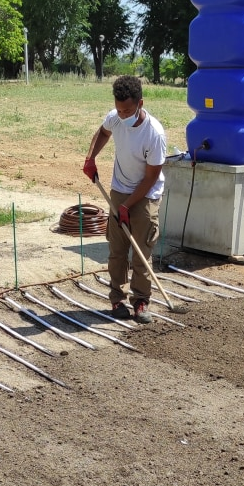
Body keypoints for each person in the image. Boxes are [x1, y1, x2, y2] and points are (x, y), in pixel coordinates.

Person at [83, 75, 166, 324]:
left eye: (127, 110)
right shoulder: (115, 117)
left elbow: (151, 178)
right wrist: (90, 158)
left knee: (141, 251)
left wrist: (128, 206)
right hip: (120, 189)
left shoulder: (155, 134)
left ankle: (141, 301)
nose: (122, 115)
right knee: (117, 250)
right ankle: (117, 299)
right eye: (119, 109)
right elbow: (103, 133)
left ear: (140, 104)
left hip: (146, 195)